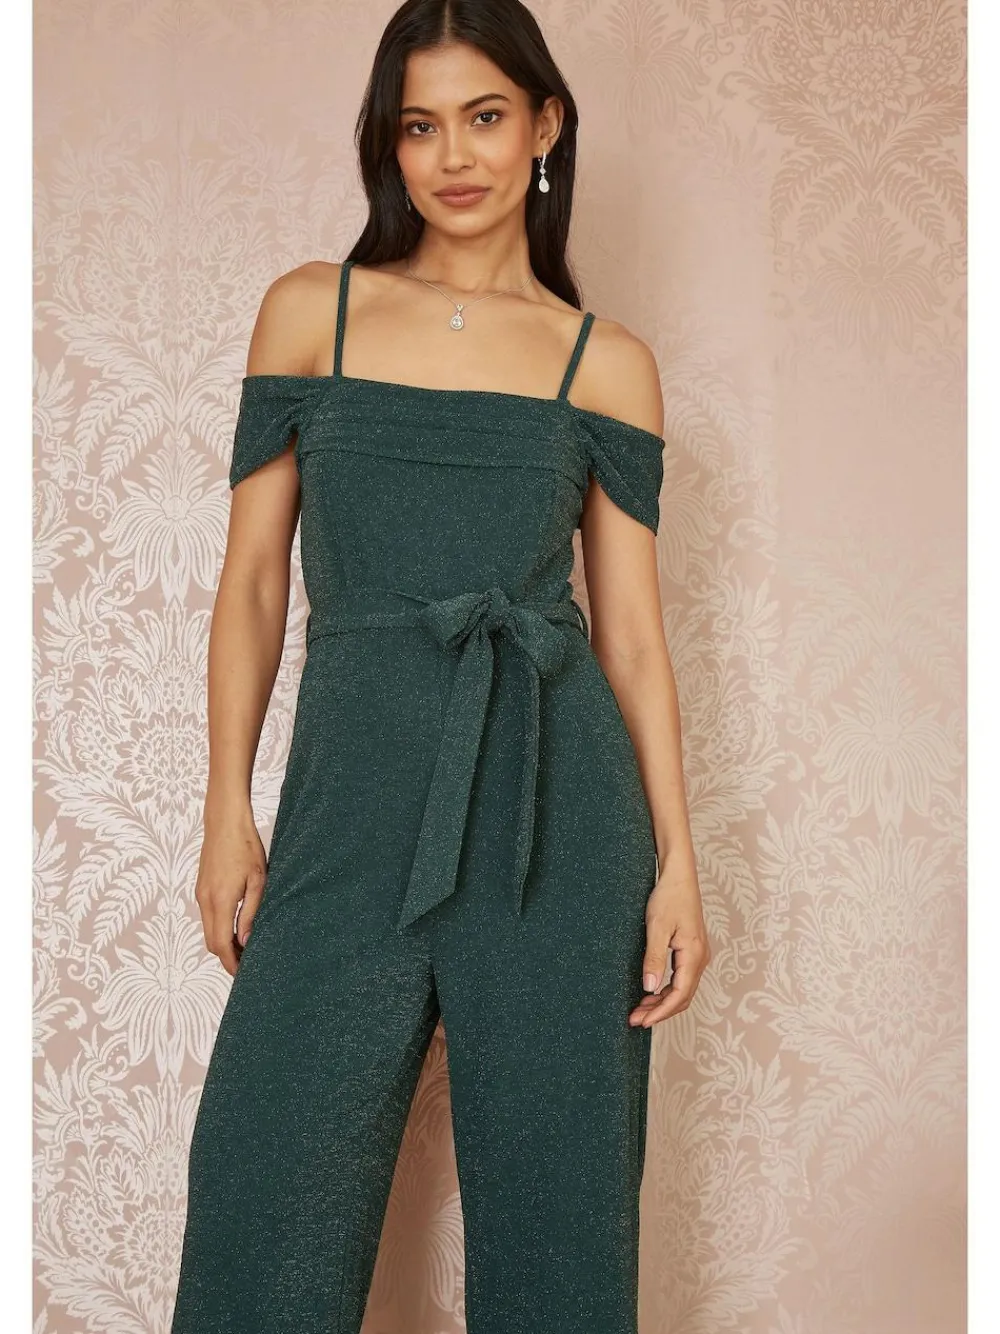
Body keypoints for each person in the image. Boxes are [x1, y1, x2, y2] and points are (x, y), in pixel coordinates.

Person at [170, 1, 710, 1330]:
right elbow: (252, 581)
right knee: (265, 1198)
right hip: (350, 805)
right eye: (419, 125)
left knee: (561, 1228)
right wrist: (227, 804)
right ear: (389, 142)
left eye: (484, 116)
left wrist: (678, 861)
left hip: (555, 811)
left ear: (546, 125)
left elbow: (632, 635)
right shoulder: (314, 313)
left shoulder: (605, 364)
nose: (453, 156)